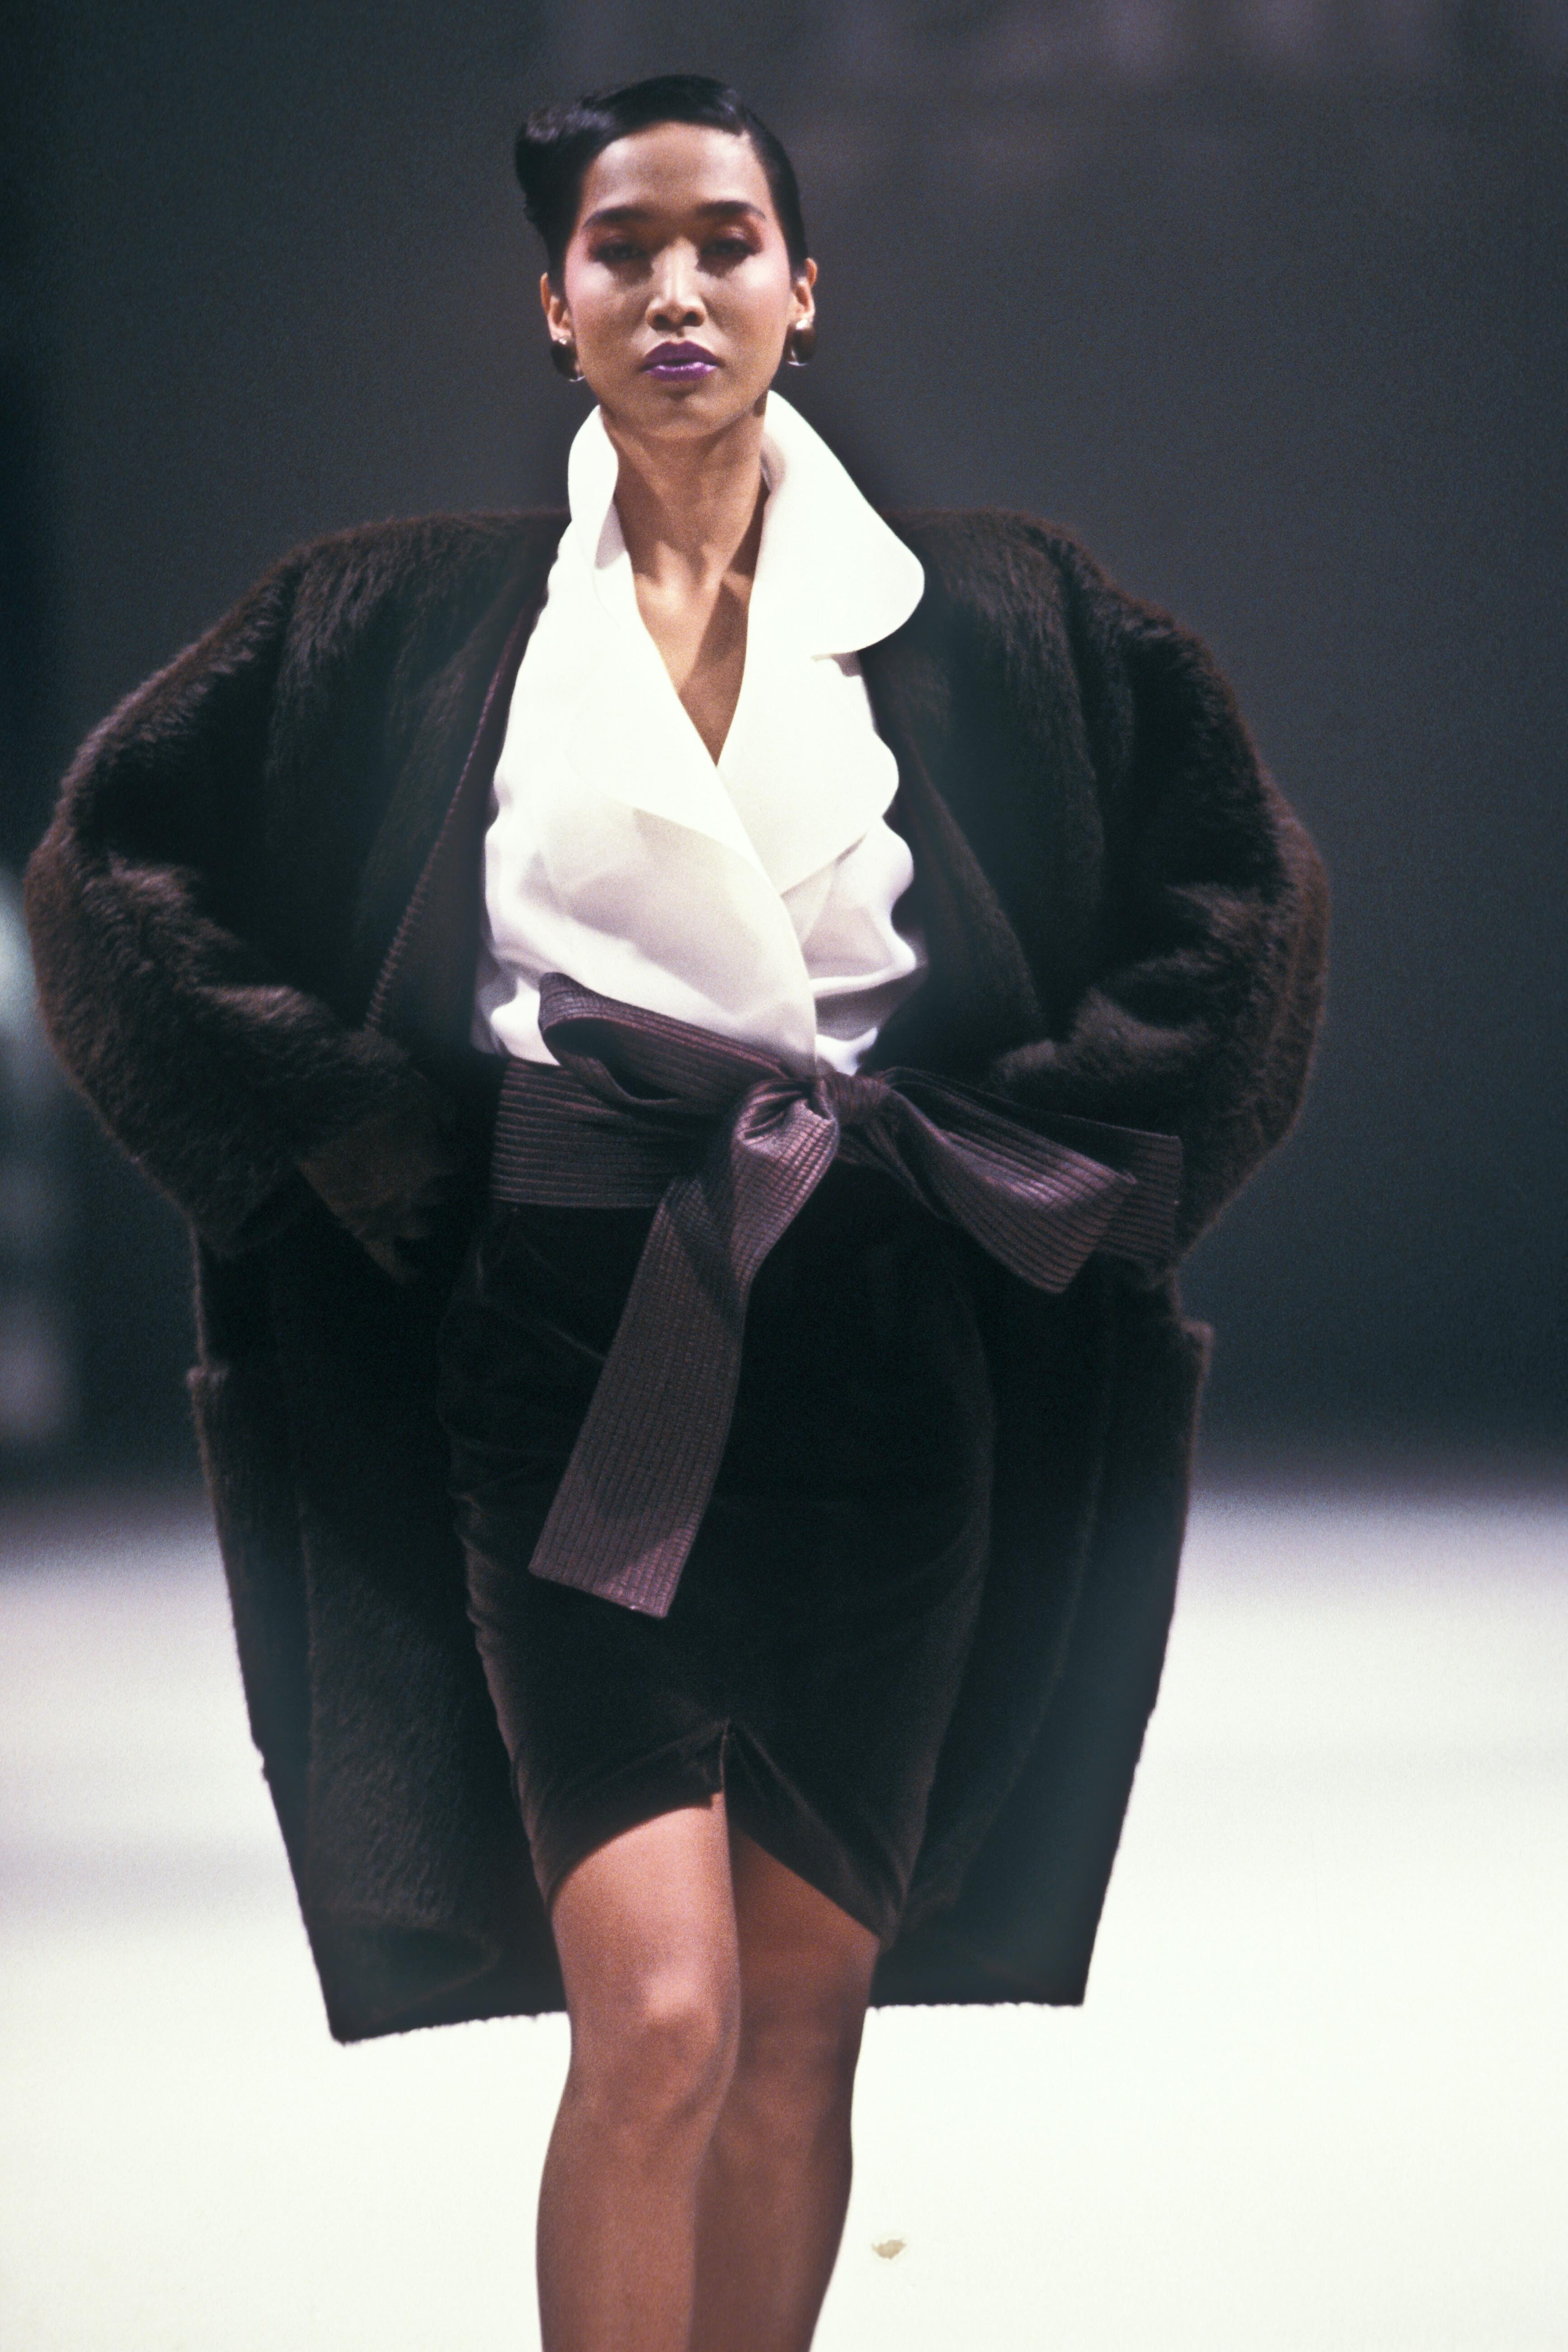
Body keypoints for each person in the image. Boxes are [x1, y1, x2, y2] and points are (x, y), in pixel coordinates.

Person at [23, 72, 1328, 2352]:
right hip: (569, 1349)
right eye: (620, 248)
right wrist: (355, 1126)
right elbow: (110, 863)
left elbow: (1244, 891)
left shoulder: (989, 608)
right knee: (655, 2023)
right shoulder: (412, 616)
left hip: (885, 1367)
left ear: (806, 286)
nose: (676, 286)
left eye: (724, 240)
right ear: (554, 305)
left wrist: (1052, 1146)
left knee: (801, 2033)